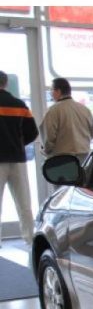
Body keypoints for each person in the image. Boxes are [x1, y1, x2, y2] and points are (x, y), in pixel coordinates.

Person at [0, 70, 38, 245]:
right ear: (6, 83)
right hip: (17, 159)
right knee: (24, 203)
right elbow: (33, 132)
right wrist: (18, 144)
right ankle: (30, 238)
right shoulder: (19, 105)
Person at [40, 77, 93, 162]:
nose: (51, 94)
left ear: (58, 91)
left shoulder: (53, 110)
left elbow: (49, 138)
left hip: (63, 159)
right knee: (82, 175)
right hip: (84, 157)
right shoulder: (85, 109)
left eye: (51, 90)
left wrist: (45, 151)